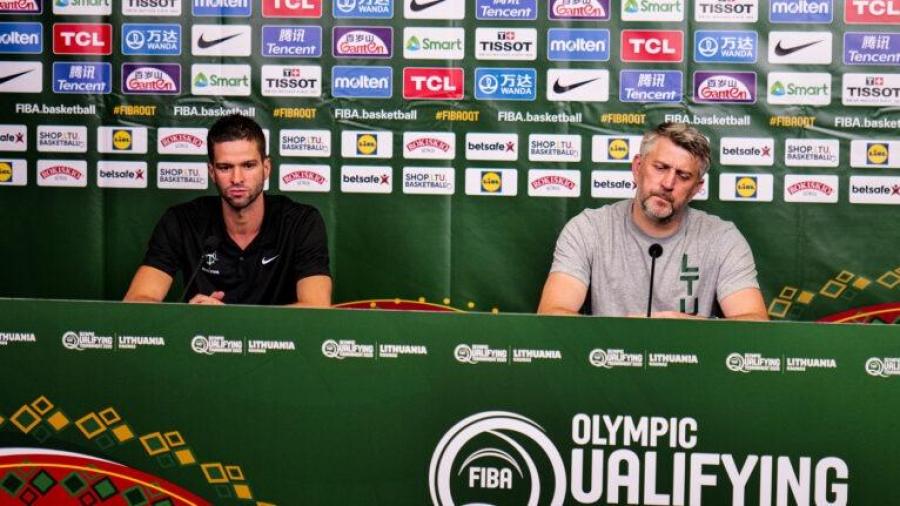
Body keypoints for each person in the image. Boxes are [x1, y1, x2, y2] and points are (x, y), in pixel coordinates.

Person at [537, 122, 767, 320]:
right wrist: (622, 331)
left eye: (683, 176)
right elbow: (551, 314)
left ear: (696, 189)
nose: (668, 183)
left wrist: (695, 329)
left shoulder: (722, 238)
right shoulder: (588, 228)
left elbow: (755, 323)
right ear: (637, 168)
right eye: (660, 168)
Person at [124, 114, 332, 306]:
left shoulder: (301, 222)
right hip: (202, 335)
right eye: (225, 167)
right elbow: (135, 301)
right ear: (211, 172)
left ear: (266, 168)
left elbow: (316, 307)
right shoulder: (182, 221)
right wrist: (188, 315)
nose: (237, 178)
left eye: (248, 165)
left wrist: (228, 320)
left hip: (276, 337)